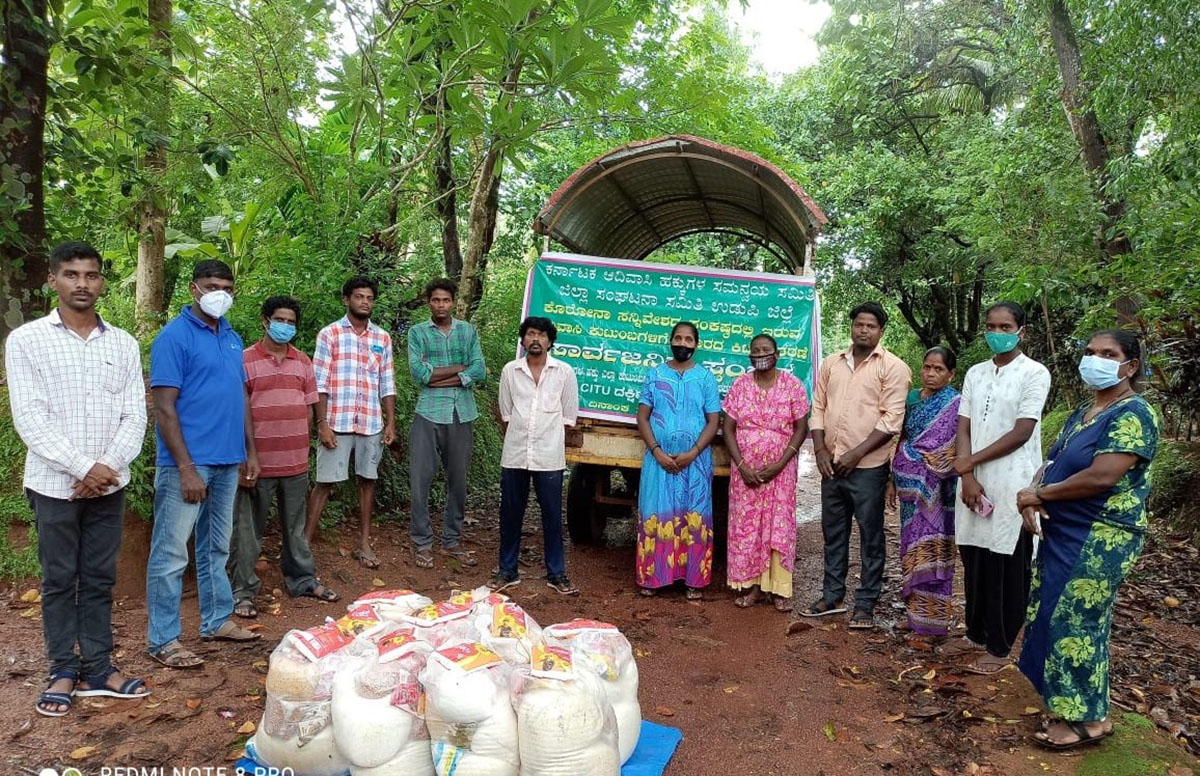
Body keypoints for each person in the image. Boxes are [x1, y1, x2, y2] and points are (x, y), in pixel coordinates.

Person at [6, 242, 149, 715]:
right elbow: (30, 417)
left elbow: (135, 415)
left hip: (110, 483)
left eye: (90, 275)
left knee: (100, 578)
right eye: (71, 274)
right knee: (59, 579)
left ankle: (99, 670)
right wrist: (85, 468)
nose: (82, 284)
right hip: (54, 484)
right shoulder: (27, 340)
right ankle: (62, 671)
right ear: (53, 280)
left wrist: (105, 467)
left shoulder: (123, 343)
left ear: (102, 282)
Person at [1016, 330, 1158, 750]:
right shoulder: (1086, 410)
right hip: (1064, 529)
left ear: (1130, 366)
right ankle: (1067, 702)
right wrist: (1032, 494)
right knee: (1049, 611)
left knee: (1076, 619)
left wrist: (1039, 495)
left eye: (1108, 354)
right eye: (1090, 352)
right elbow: (1055, 462)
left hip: (1102, 534)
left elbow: (1103, 475)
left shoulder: (1134, 413)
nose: (1094, 360)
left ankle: (1089, 720)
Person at [147, 259, 261, 669]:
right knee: (171, 552)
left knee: (216, 547)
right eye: (213, 285)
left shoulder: (231, 337)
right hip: (188, 464)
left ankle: (215, 621)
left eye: (228, 287)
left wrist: (250, 450)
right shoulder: (173, 338)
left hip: (229, 460)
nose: (221, 294)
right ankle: (163, 639)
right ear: (194, 289)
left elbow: (240, 397)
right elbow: (164, 408)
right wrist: (186, 467)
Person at [950, 301, 1051, 674]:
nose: (998, 332)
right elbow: (964, 426)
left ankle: (1000, 643)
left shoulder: (1034, 373)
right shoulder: (976, 373)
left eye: (1006, 326)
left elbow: (1023, 431)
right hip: (974, 480)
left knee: (1007, 562)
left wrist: (970, 463)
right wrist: (968, 476)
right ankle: (975, 633)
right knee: (974, 558)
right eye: (992, 326)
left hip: (1013, 479)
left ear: (1021, 331)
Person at [230, 296, 338, 620]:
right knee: (249, 531)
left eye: (291, 322)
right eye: (280, 320)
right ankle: (243, 591)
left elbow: (309, 405)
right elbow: (237, 410)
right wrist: (244, 456)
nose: (285, 327)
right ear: (265, 321)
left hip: (294, 462)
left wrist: (307, 437)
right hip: (256, 463)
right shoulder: (245, 360)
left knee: (295, 527)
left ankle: (302, 580)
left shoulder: (303, 362)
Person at [804, 302, 911, 629]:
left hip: (868, 469)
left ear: (881, 331)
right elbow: (818, 407)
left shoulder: (893, 368)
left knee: (870, 535)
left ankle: (865, 602)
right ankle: (832, 595)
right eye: (859, 324)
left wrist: (855, 455)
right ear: (852, 326)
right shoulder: (831, 364)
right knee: (833, 533)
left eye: (871, 326)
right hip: (831, 466)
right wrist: (821, 449)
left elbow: (892, 420)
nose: (864, 330)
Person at [305, 277, 397, 569]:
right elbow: (318, 382)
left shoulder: (382, 338)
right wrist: (322, 423)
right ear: (347, 299)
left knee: (367, 481)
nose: (365, 302)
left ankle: (364, 543)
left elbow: (387, 382)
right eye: (359, 297)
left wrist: (390, 422)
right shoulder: (329, 334)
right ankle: (304, 544)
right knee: (324, 482)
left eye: (369, 297)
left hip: (371, 422)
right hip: (337, 421)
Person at [488, 316, 580, 596]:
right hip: (515, 454)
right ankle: (507, 571)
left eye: (541, 335)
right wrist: (520, 439)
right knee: (510, 514)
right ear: (523, 339)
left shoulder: (564, 372)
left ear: (550, 341)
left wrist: (546, 441)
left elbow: (568, 416)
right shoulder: (510, 371)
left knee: (552, 516)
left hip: (549, 456)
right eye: (530, 334)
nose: (535, 339)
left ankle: (556, 573)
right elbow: (506, 414)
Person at [723, 333, 810, 611]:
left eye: (766, 350)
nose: (761, 354)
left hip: (781, 470)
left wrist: (781, 462)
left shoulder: (793, 385)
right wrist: (741, 466)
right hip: (745, 471)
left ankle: (779, 588)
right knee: (747, 526)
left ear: (777, 354)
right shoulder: (740, 386)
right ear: (750, 356)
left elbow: (801, 427)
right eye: (755, 350)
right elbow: (727, 428)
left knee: (778, 526)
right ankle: (753, 588)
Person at [635, 321, 721, 600]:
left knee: (692, 516)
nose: (682, 343)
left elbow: (713, 421)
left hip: (695, 464)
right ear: (670, 341)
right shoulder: (655, 375)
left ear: (696, 344)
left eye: (688, 339)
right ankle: (653, 577)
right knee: (656, 512)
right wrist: (657, 450)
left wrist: (693, 452)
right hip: (657, 462)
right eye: (678, 338)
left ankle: (693, 581)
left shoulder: (705, 378)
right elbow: (643, 417)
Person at [407, 278, 487, 569]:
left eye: (446, 300)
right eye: (435, 300)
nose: (441, 305)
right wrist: (459, 371)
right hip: (427, 412)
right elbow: (419, 374)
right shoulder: (417, 333)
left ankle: (451, 541)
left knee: (458, 481)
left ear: (454, 302)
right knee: (420, 481)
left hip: (461, 413)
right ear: (429, 302)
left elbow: (479, 369)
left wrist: (439, 376)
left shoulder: (468, 332)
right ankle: (422, 543)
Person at [886, 347, 961, 638]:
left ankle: (933, 620)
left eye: (938, 369)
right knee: (909, 547)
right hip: (908, 488)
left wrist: (930, 463)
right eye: (927, 367)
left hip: (937, 490)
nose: (931, 374)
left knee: (934, 547)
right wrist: (893, 476)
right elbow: (903, 437)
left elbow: (955, 447)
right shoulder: (912, 399)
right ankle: (913, 613)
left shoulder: (955, 403)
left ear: (951, 373)